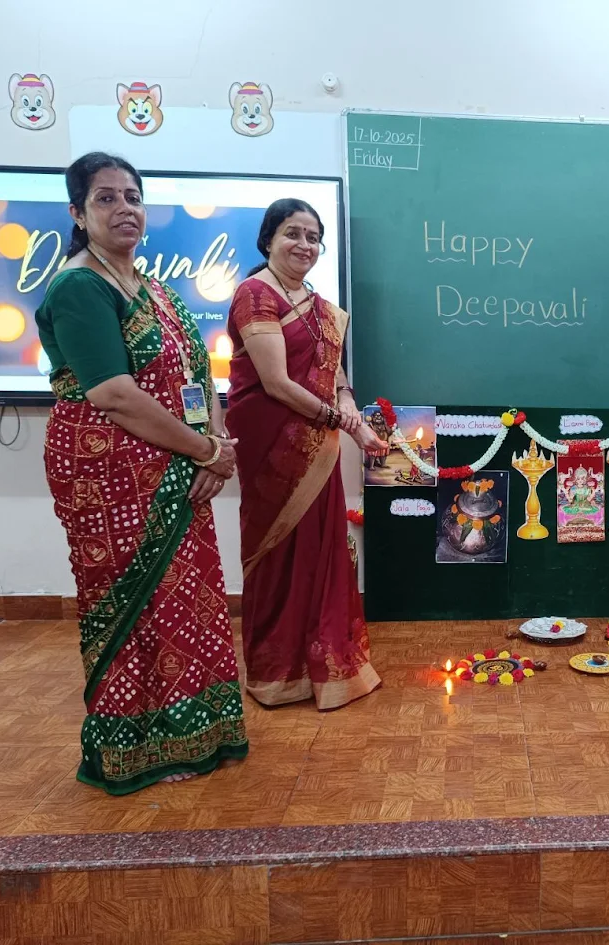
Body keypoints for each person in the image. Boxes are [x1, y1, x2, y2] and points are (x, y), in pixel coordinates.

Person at [37, 152, 248, 794]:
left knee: (187, 600)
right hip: (109, 474)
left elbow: (194, 373)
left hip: (177, 462)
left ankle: (198, 733)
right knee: (138, 605)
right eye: (105, 198)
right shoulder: (79, 287)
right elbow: (114, 394)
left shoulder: (151, 286)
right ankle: (137, 749)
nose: (124, 207)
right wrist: (207, 451)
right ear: (78, 214)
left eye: (132, 196)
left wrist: (213, 442)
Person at [226, 199, 386, 710]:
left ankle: (327, 666)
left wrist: (350, 412)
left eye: (313, 236)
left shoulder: (319, 306)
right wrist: (338, 419)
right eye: (292, 234)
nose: (305, 245)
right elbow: (275, 382)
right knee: (278, 556)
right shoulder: (255, 295)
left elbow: (334, 377)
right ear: (268, 240)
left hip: (320, 446)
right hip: (273, 446)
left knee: (321, 551)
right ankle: (278, 674)